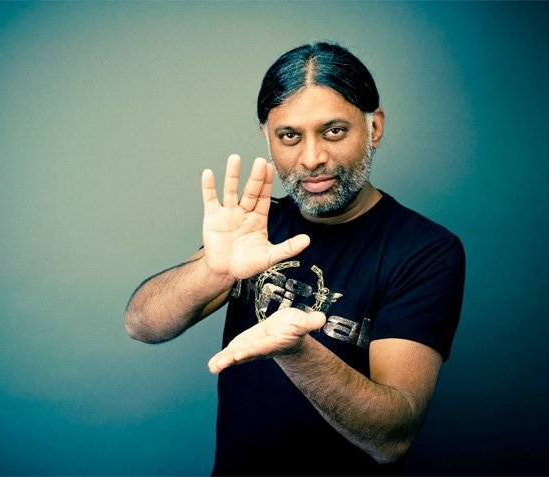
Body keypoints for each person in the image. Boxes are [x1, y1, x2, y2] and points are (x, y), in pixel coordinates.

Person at [124, 41, 465, 476]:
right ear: (267, 137)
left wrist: (296, 351)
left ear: (374, 128)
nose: (312, 158)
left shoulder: (425, 251)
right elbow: (142, 325)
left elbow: (391, 438)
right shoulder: (256, 224)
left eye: (333, 131)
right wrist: (213, 269)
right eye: (290, 136)